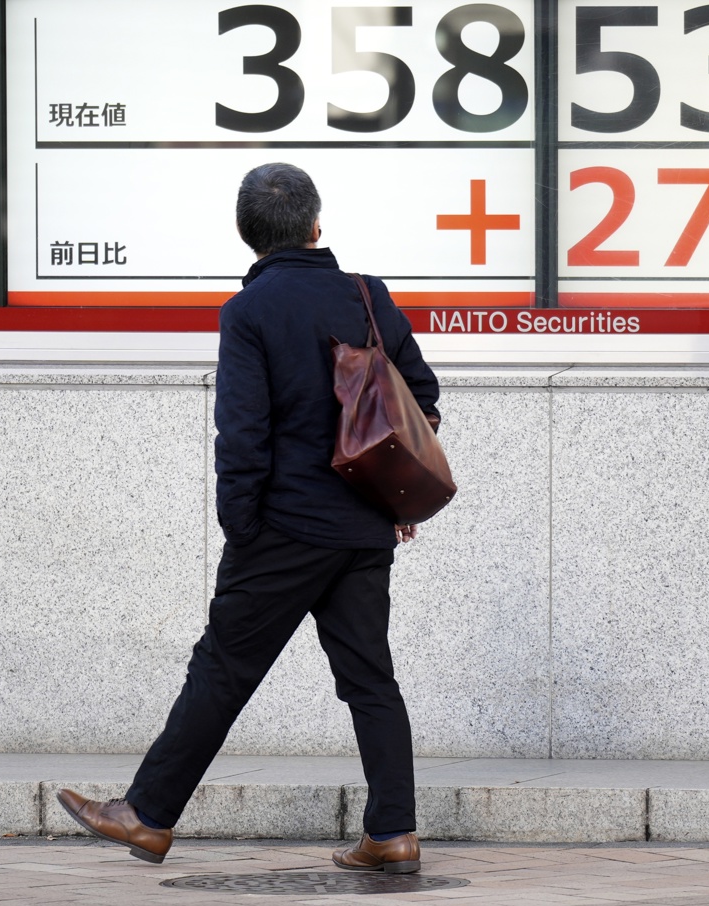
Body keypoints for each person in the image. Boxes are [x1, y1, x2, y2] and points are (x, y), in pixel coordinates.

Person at [56, 162, 439, 875]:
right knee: (369, 679)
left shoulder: (250, 312)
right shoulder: (368, 294)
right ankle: (393, 833)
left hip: (283, 528)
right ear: (316, 225)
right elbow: (421, 395)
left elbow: (242, 435)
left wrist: (243, 530)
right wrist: (390, 499)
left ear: (247, 237)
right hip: (361, 530)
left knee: (223, 669)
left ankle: (146, 815)